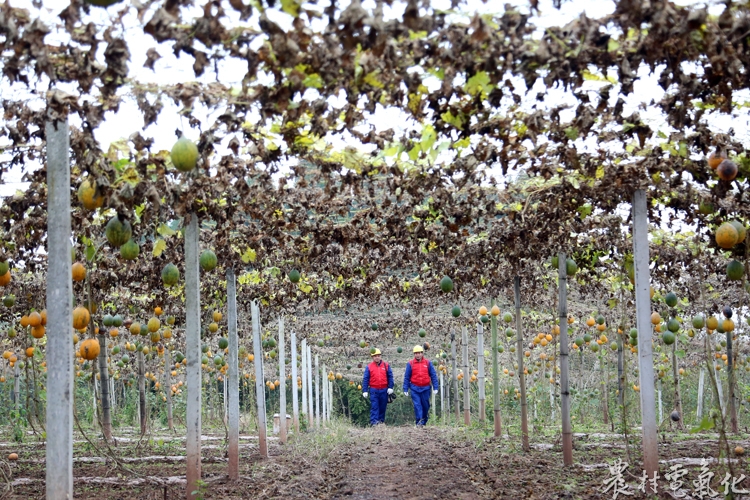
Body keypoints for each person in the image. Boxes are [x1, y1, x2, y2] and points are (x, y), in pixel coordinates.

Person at [403, 345, 439, 426]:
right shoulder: (410, 364)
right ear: (414, 354)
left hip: (426, 388)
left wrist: (435, 387)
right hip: (414, 388)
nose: (418, 355)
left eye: (419, 353)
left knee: (425, 406)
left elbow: (433, 375)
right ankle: (419, 422)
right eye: (416, 353)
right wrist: (405, 388)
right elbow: (407, 377)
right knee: (417, 405)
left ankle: (424, 421)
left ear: (422, 353)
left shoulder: (428, 363)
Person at [361, 349, 394, 426]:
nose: (377, 357)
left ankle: (381, 423)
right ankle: (374, 423)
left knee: (383, 407)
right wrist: (365, 390)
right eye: (375, 356)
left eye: (378, 356)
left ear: (380, 356)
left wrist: (390, 387)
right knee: (374, 407)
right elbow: (366, 379)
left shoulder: (386, 366)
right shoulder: (369, 367)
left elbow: (390, 377)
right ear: (372, 357)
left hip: (384, 390)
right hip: (374, 390)